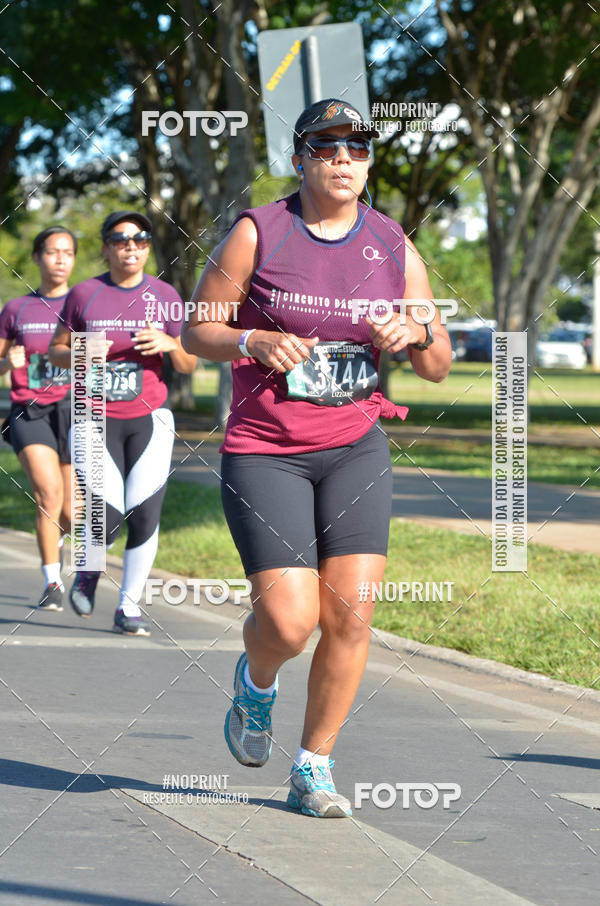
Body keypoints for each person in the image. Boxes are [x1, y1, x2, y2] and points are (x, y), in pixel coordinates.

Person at [182, 99, 452, 817]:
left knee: (352, 616)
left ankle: (313, 766)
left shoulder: (392, 242)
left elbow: (437, 365)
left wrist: (414, 333)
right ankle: (257, 683)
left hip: (355, 447)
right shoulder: (258, 232)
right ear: (299, 157)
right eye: (327, 148)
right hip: (266, 449)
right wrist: (252, 341)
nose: (343, 161)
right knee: (290, 622)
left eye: (358, 150)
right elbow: (198, 327)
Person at [49, 211, 196, 636]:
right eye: (120, 239)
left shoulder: (165, 295)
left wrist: (170, 343)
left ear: (148, 247)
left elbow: (188, 363)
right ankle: (89, 570)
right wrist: (82, 348)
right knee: (106, 515)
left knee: (145, 515)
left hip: (151, 417)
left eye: (140, 239)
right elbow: (56, 352)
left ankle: (128, 607)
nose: (131, 246)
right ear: (106, 247)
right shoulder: (84, 294)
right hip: (94, 417)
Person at [0, 226, 78, 611]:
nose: (60, 259)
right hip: (29, 410)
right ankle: (51, 581)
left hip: (74, 410)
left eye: (67, 252)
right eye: (52, 252)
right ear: (37, 257)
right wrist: (5, 362)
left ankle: (58, 540)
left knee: (70, 509)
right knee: (49, 494)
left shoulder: (85, 306)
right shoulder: (16, 309)